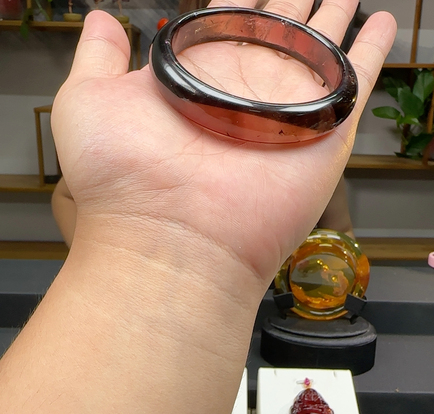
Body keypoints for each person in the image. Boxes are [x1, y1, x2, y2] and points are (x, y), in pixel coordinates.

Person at [0, 0, 396, 414]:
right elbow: (67, 197)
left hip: (258, 321)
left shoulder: (316, 171)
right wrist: (128, 256)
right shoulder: (148, 121)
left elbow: (340, 237)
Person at [52, 0, 355, 246]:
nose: (254, 31)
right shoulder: (138, 130)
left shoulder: (313, 157)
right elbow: (64, 197)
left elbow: (342, 231)